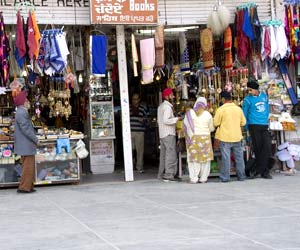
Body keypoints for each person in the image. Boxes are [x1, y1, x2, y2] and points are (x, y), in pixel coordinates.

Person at [213, 91, 247, 182]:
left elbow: (215, 123)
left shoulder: (221, 109)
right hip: (237, 137)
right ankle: (241, 176)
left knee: (226, 158)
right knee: (239, 158)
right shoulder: (238, 109)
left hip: (225, 137)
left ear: (223, 99)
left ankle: (225, 178)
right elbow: (243, 122)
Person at [242, 79, 272, 179]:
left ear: (256, 89)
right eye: (248, 90)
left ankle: (258, 169)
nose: (249, 92)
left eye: (250, 90)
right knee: (258, 148)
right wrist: (246, 127)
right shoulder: (247, 100)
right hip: (253, 125)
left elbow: (267, 109)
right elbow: (244, 114)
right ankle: (264, 172)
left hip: (264, 125)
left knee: (267, 146)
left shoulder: (264, 96)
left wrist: (266, 119)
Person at [183, 97, 214, 183]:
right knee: (205, 159)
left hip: (194, 138)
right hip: (205, 138)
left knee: (193, 159)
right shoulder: (208, 114)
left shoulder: (190, 113)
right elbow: (211, 128)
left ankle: (194, 178)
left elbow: (185, 126)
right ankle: (203, 178)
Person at [14, 90, 39, 193]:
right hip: (26, 144)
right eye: (27, 100)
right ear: (23, 102)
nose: (28, 102)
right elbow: (26, 130)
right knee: (28, 167)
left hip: (26, 144)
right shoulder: (21, 112)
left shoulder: (21, 112)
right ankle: (25, 187)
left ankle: (28, 185)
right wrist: (36, 139)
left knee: (28, 166)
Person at [157, 87, 180, 182]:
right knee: (170, 154)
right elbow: (166, 120)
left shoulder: (161, 106)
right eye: (171, 95)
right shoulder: (167, 107)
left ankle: (161, 173)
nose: (173, 96)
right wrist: (176, 119)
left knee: (163, 155)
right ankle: (169, 174)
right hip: (168, 133)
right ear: (167, 96)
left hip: (162, 134)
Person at [130, 93, 148, 173]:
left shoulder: (142, 109)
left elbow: (148, 120)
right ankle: (130, 166)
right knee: (130, 150)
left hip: (140, 132)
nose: (135, 101)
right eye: (134, 99)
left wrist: (143, 120)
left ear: (139, 100)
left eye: (136, 99)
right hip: (130, 132)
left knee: (139, 151)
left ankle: (139, 167)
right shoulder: (128, 108)